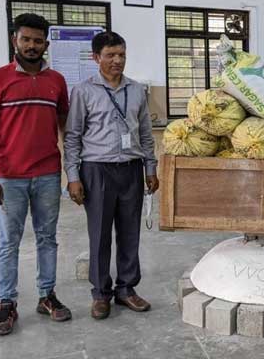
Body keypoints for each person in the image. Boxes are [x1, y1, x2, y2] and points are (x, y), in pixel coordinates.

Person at [0, 13, 72, 336]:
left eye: (38, 41)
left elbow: (64, 126)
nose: (32, 46)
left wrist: (71, 168)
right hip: (9, 177)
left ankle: (47, 295)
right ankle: (7, 302)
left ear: (46, 43)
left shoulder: (56, 81)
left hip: (47, 174)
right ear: (14, 40)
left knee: (47, 238)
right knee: (9, 241)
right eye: (26, 39)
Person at [64, 31, 159, 320]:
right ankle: (101, 294)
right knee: (100, 234)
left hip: (130, 169)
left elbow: (145, 133)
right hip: (96, 170)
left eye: (121, 55)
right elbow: (72, 137)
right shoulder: (83, 91)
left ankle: (126, 289)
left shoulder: (137, 90)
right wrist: (73, 176)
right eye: (110, 55)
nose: (117, 61)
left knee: (130, 233)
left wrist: (150, 168)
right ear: (96, 58)